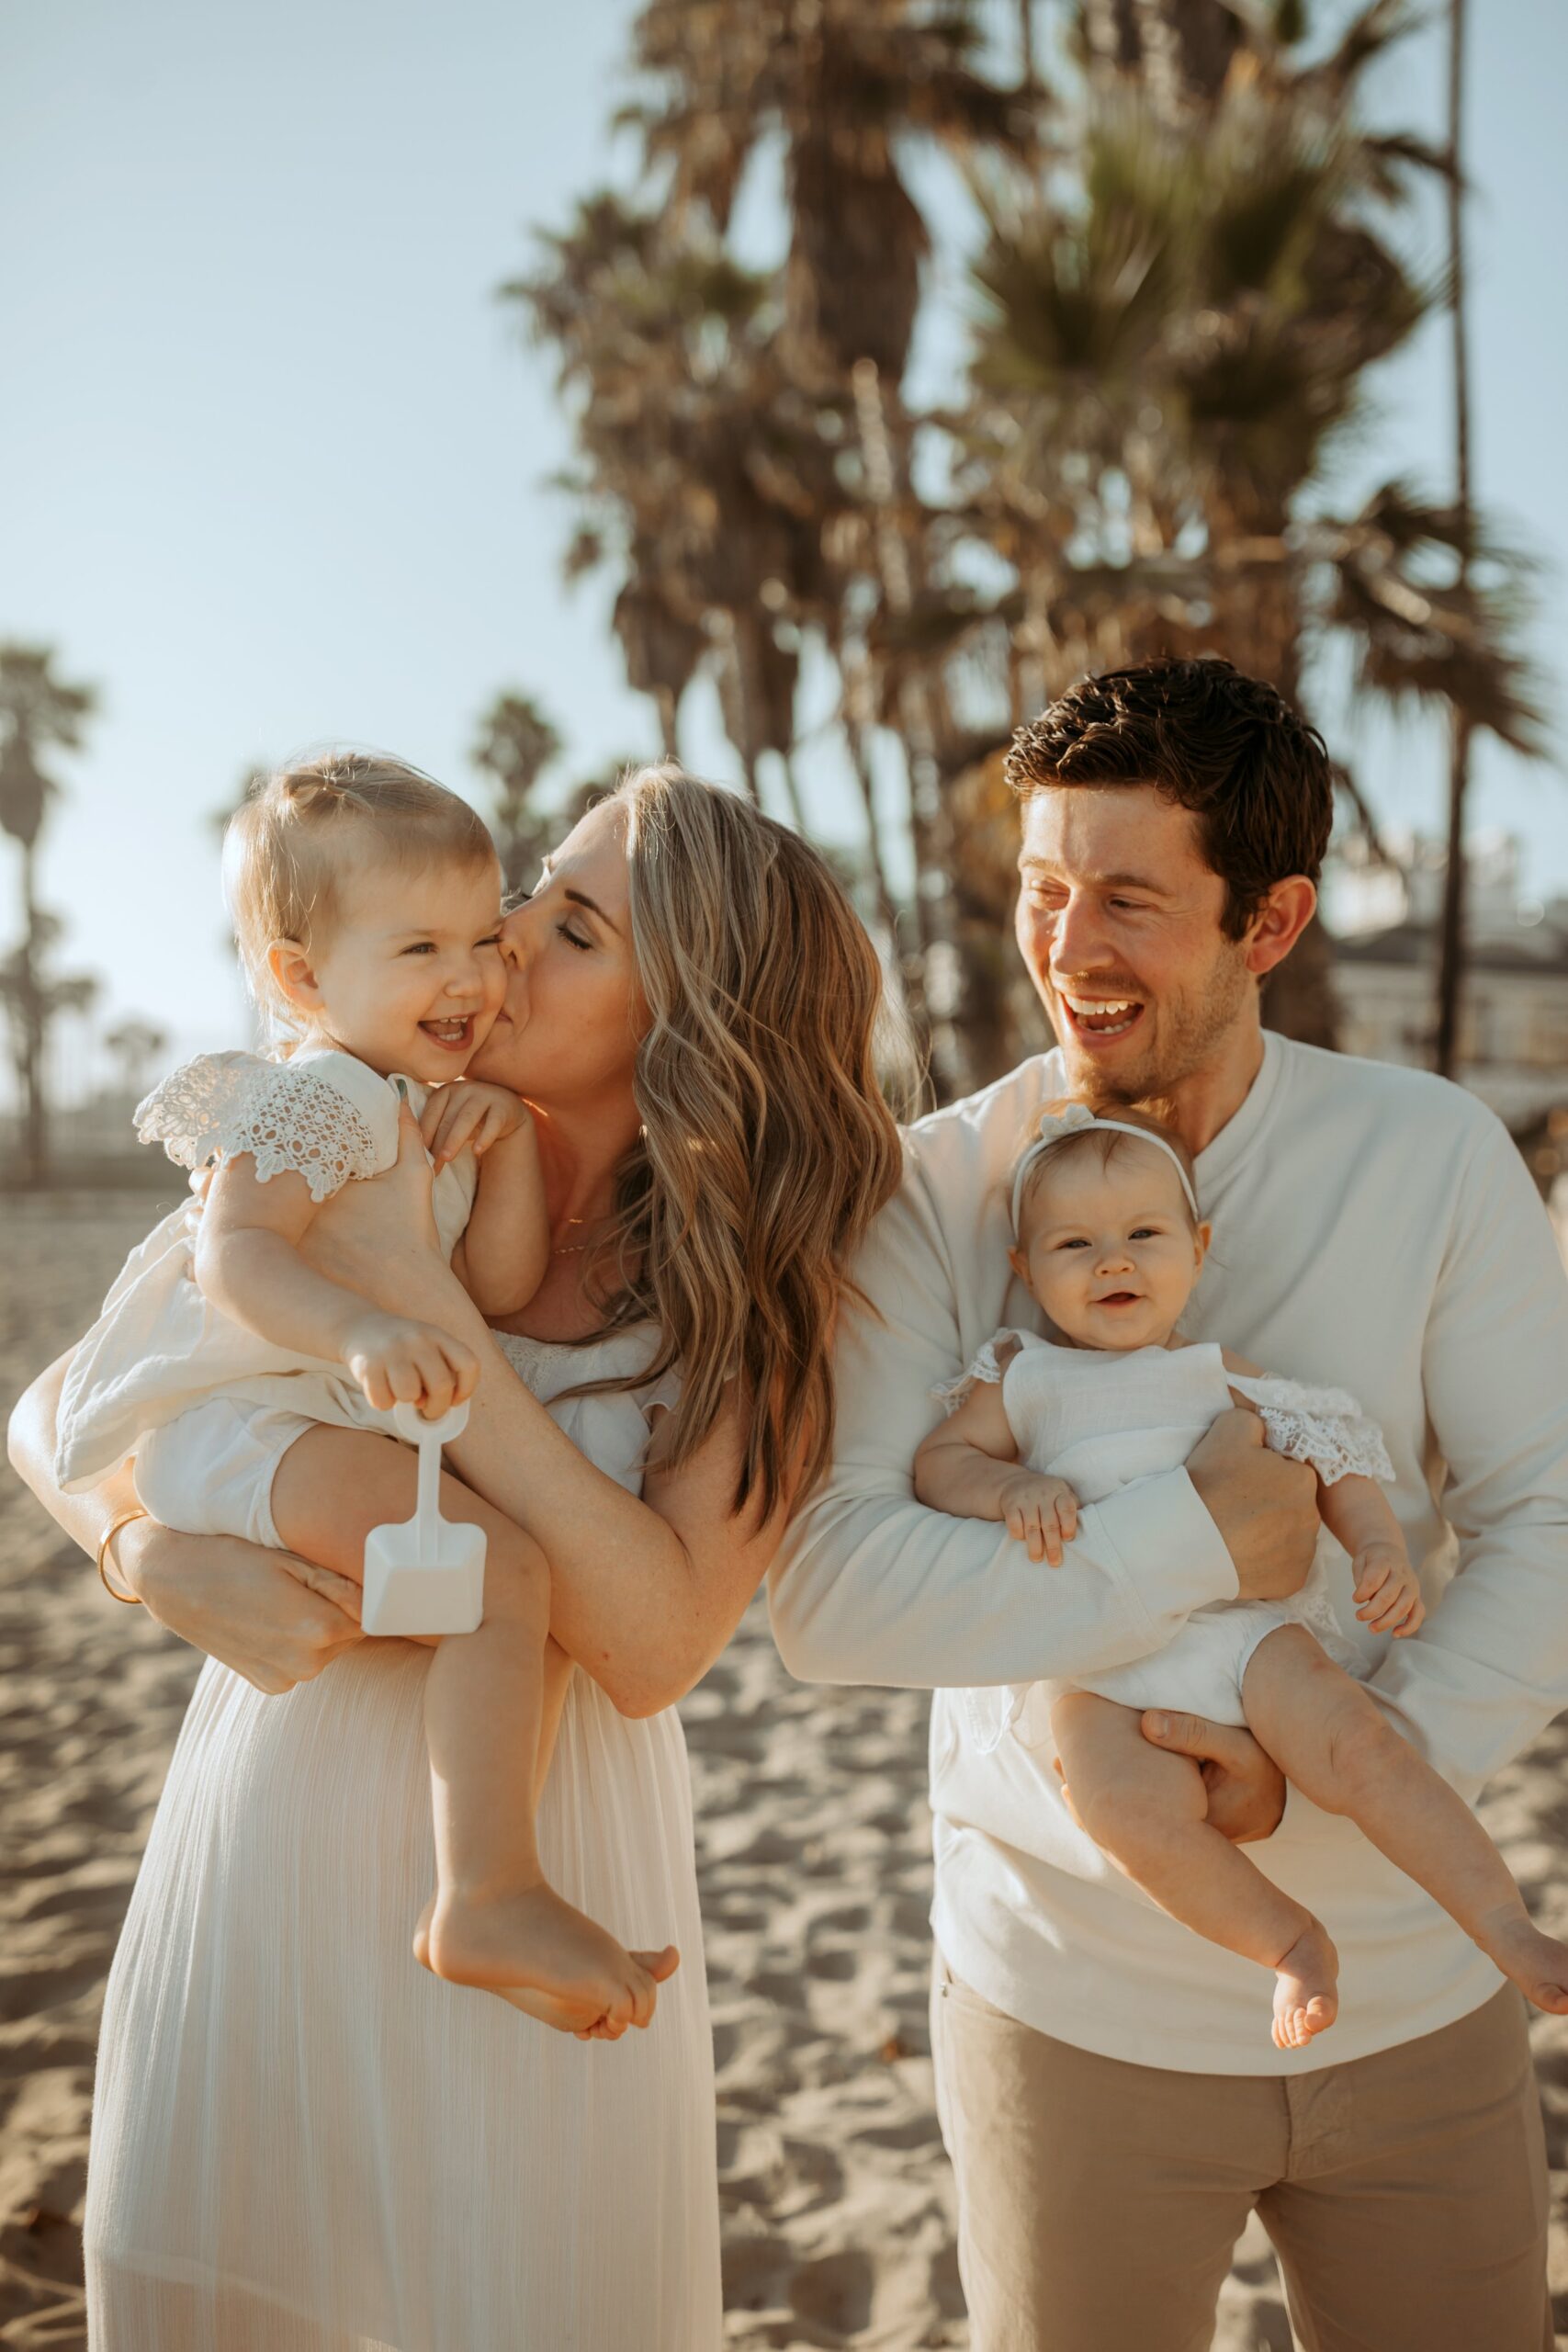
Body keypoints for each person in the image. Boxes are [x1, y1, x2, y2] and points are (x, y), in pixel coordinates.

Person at [9, 761, 904, 2351]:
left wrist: (435, 1342)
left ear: (685, 1012)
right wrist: (139, 1555)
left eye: (568, 924)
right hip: (273, 1815)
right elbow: (69, 1406)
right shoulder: (366, 1134)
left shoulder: (749, 1299)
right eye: (522, 894)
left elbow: (649, 1645)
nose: (496, 937)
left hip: (546, 1852)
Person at [773, 657, 1568, 2352]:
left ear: (1267, 926)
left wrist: (1337, 1764)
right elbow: (835, 1592)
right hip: (1068, 2023)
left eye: (1126, 900)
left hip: (1422, 2013)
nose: (1065, 948)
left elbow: (1548, 1518)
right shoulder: (933, 1188)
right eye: (1045, 891)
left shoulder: (1428, 1157)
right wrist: (1194, 1541)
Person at [56, 750, 671, 2032]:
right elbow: (237, 1260)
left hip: (301, 1422)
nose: (469, 975)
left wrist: (498, 1161)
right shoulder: (318, 1094)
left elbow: (492, 1297)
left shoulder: (428, 1103)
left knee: (479, 1584)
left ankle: (478, 1880)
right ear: (297, 978)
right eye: (420, 950)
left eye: (479, 933)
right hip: (249, 1419)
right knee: (502, 1575)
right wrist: (350, 1333)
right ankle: (483, 1890)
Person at [915, 1097, 1568, 2052]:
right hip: (1094, 1658)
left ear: (1198, 1244)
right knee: (1120, 1808)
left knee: (1363, 1748)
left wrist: (1380, 1547)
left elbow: (1331, 1450)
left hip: (1239, 1630)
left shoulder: (1218, 1372)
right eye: (1073, 1244)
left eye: (1144, 1233)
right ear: (1024, 1268)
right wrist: (1009, 1486)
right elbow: (939, 1463)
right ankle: (1289, 1940)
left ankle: (1503, 1921)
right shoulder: (1023, 1375)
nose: (1113, 1260)